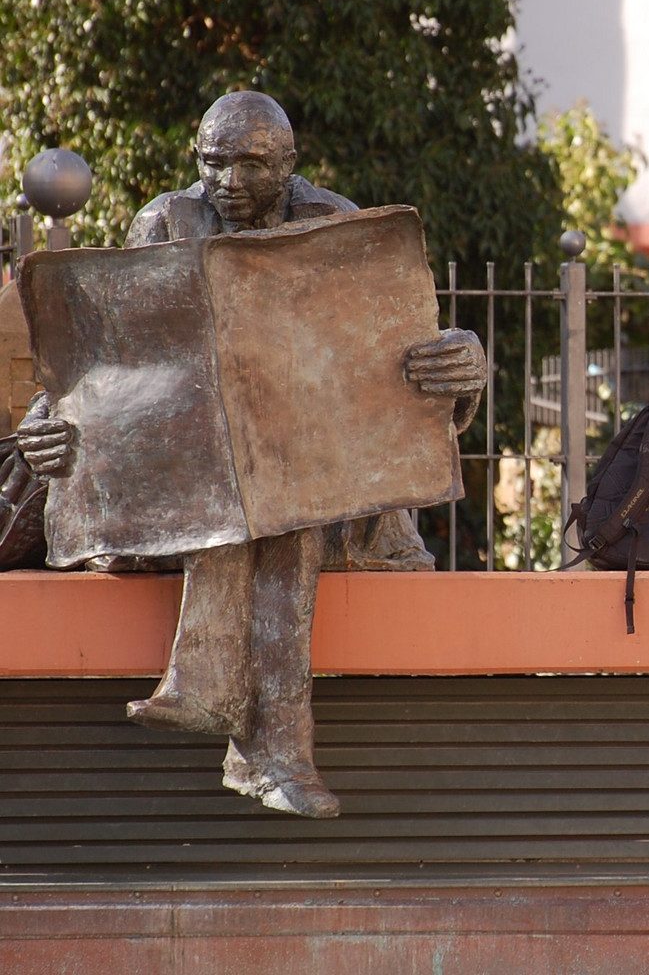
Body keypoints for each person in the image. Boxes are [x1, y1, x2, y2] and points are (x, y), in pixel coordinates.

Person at [16, 91, 484, 817]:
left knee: (278, 489)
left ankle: (211, 698)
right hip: (177, 483)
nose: (231, 182)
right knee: (256, 489)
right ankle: (276, 755)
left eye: (253, 165)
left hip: (308, 477)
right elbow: (108, 361)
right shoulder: (166, 221)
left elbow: (382, 354)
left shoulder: (331, 221)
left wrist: (463, 363)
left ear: (291, 166)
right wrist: (48, 417)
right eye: (214, 164)